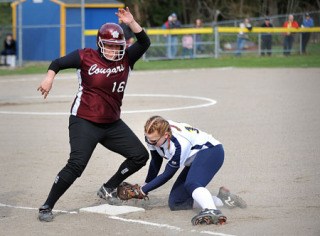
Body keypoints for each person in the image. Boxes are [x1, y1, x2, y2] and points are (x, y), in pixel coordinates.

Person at [36, 7, 150, 222]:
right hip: (84, 121)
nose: (113, 50)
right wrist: (49, 78)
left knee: (140, 156)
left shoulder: (126, 59)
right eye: (108, 45)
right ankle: (47, 205)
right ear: (100, 43)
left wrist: (132, 22)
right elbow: (58, 63)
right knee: (76, 164)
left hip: (112, 123)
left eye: (117, 46)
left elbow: (144, 42)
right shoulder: (85, 56)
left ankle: (108, 187)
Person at [139, 116, 246, 225]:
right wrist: (145, 185)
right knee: (177, 203)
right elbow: (156, 160)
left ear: (166, 135)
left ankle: (212, 210)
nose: (149, 142)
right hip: (194, 157)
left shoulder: (178, 144)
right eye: (147, 138)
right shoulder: (152, 135)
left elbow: (168, 174)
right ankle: (222, 199)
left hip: (211, 151)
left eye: (153, 141)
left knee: (192, 183)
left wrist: (142, 191)